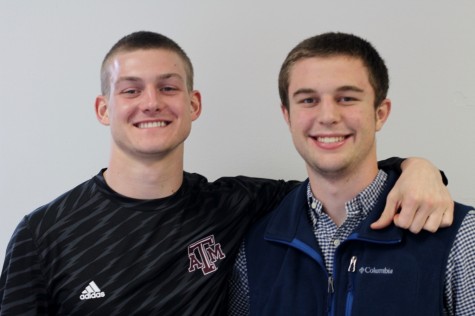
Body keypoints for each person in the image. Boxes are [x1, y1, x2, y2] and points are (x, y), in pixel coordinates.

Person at [0, 31, 453, 316]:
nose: (151, 102)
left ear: (193, 105)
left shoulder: (234, 205)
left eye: (168, 87)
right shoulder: (42, 235)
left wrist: (415, 169)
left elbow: (335, 180)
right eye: (131, 90)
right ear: (104, 109)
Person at [228, 32, 475, 316]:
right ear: (288, 116)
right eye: (308, 100)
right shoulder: (257, 245)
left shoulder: (457, 234)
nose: (328, 116)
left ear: (380, 113)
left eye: (346, 98)